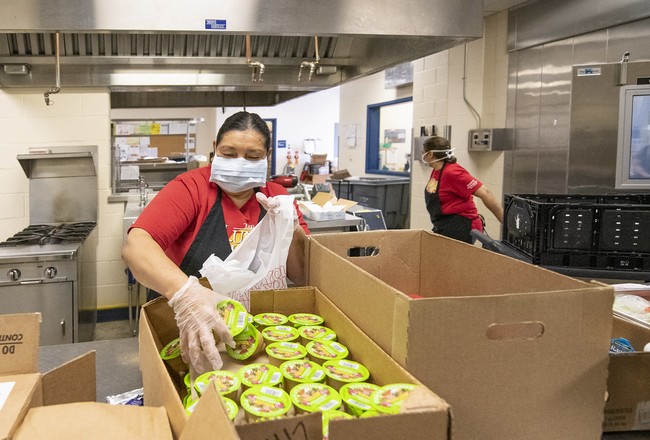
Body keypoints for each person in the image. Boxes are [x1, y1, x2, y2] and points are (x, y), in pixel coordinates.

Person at [122, 111, 309, 374]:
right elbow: (137, 246)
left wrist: (290, 227)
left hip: (255, 341)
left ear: (267, 157)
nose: (240, 163)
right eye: (229, 153)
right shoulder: (191, 189)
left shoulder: (277, 197)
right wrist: (186, 294)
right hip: (189, 333)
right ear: (214, 150)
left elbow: (301, 275)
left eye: (253, 156)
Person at [422, 136, 503, 244]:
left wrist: (506, 225)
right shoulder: (436, 171)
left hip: (462, 225)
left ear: (430, 154)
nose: (422, 154)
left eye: (423, 152)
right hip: (444, 224)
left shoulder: (453, 172)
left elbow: (486, 193)